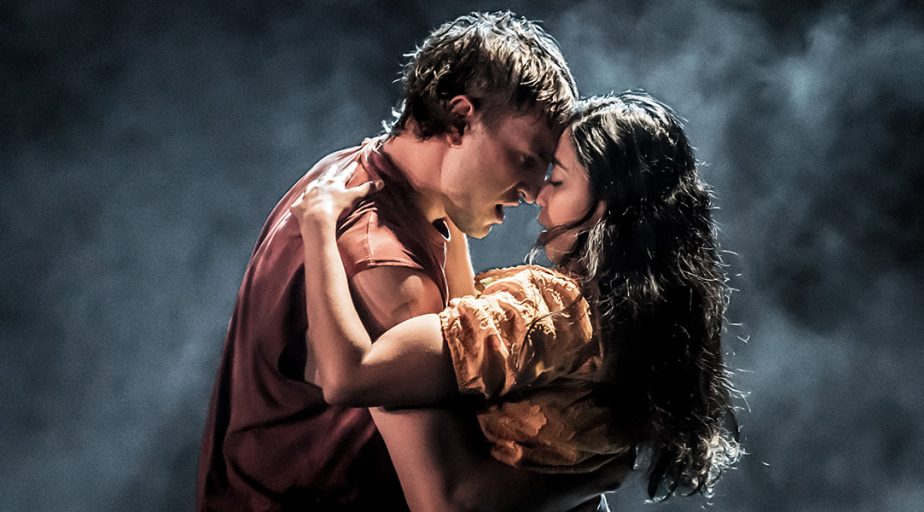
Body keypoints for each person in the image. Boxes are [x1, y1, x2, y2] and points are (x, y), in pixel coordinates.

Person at [197, 11, 622, 512]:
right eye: (527, 159)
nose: (532, 192)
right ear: (460, 118)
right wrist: (602, 475)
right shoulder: (386, 266)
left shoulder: (343, 170)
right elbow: (446, 503)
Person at [292, 92, 743, 506]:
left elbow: (350, 376)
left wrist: (318, 227)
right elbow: (470, 330)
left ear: (605, 205)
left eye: (557, 180)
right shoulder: (640, 327)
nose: (538, 194)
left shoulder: (551, 309)